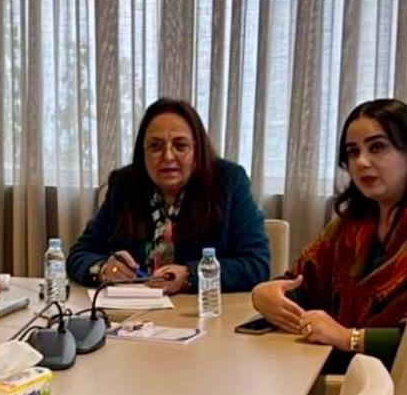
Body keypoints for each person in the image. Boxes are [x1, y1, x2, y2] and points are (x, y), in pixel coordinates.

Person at [251, 99, 407, 395]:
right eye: (353, 152)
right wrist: (266, 294)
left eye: (377, 147)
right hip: (373, 380)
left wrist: (349, 338)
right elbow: (304, 283)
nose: (362, 162)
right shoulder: (359, 220)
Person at [66, 98, 270, 294]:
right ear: (142, 152)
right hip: (132, 312)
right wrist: (104, 269)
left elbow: (256, 264)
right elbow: (79, 255)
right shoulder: (124, 185)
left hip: (201, 310)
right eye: (155, 146)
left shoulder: (229, 182)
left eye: (180, 146)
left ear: (197, 152)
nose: (168, 156)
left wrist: (190, 275)